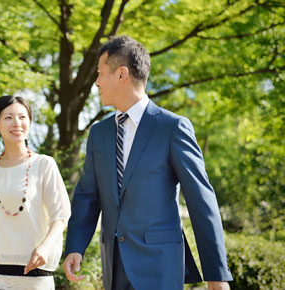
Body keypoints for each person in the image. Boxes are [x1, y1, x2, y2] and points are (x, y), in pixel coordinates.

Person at [63, 36, 233, 290]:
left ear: (122, 74)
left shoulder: (172, 127)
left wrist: (217, 274)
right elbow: (87, 196)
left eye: (100, 74)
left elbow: (201, 201)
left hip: (160, 267)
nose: (96, 82)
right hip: (114, 267)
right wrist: (75, 246)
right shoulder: (99, 133)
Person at [0, 95, 71, 290]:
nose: (16, 123)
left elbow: (60, 214)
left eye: (22, 117)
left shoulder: (44, 164)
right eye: (8, 117)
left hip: (32, 273)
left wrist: (45, 247)